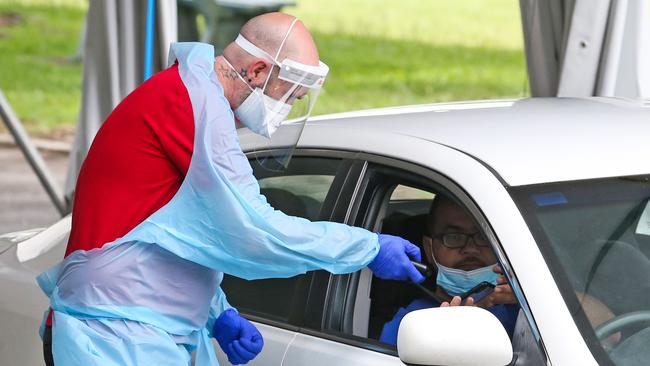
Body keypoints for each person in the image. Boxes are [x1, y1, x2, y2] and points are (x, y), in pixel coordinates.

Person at [39, 13, 425, 366]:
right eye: (288, 96)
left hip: (129, 327)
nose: (285, 107)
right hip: (113, 335)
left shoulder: (188, 93)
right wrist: (366, 247)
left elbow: (179, 229)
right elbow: (254, 230)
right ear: (257, 70)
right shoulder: (193, 104)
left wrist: (215, 311)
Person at [379, 194, 520, 346]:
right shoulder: (411, 326)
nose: (471, 249)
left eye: (482, 237)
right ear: (429, 248)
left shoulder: (526, 303)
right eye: (453, 237)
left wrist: (525, 302)